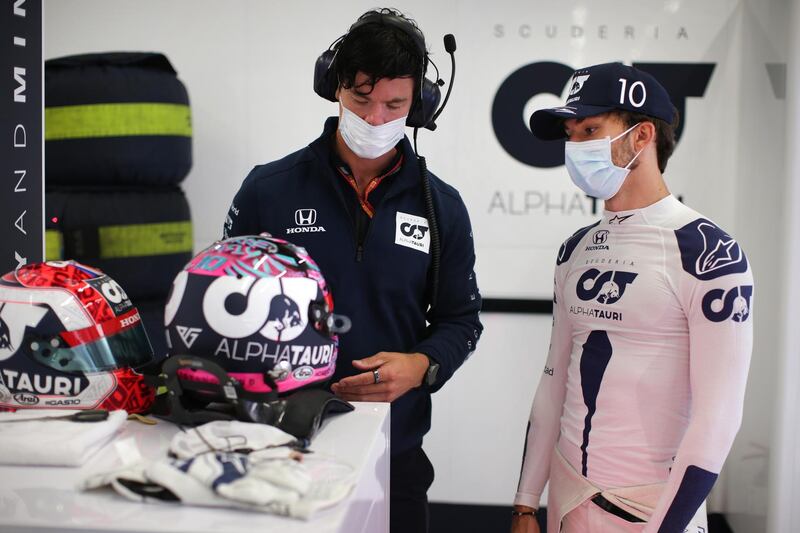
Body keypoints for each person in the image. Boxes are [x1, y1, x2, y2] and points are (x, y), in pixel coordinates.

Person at [223, 8, 482, 533]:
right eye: (361, 98)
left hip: (395, 453)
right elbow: (221, 309)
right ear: (335, 87)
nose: (376, 118)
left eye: (395, 104)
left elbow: (462, 321)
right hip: (280, 447)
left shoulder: (443, 208)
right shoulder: (268, 189)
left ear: (419, 108)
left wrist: (420, 366)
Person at [511, 62, 753, 533]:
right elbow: (554, 379)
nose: (575, 147)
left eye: (591, 129)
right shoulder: (574, 249)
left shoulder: (708, 251)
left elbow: (719, 417)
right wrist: (524, 504)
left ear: (642, 137)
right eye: (570, 132)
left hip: (654, 512)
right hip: (566, 502)